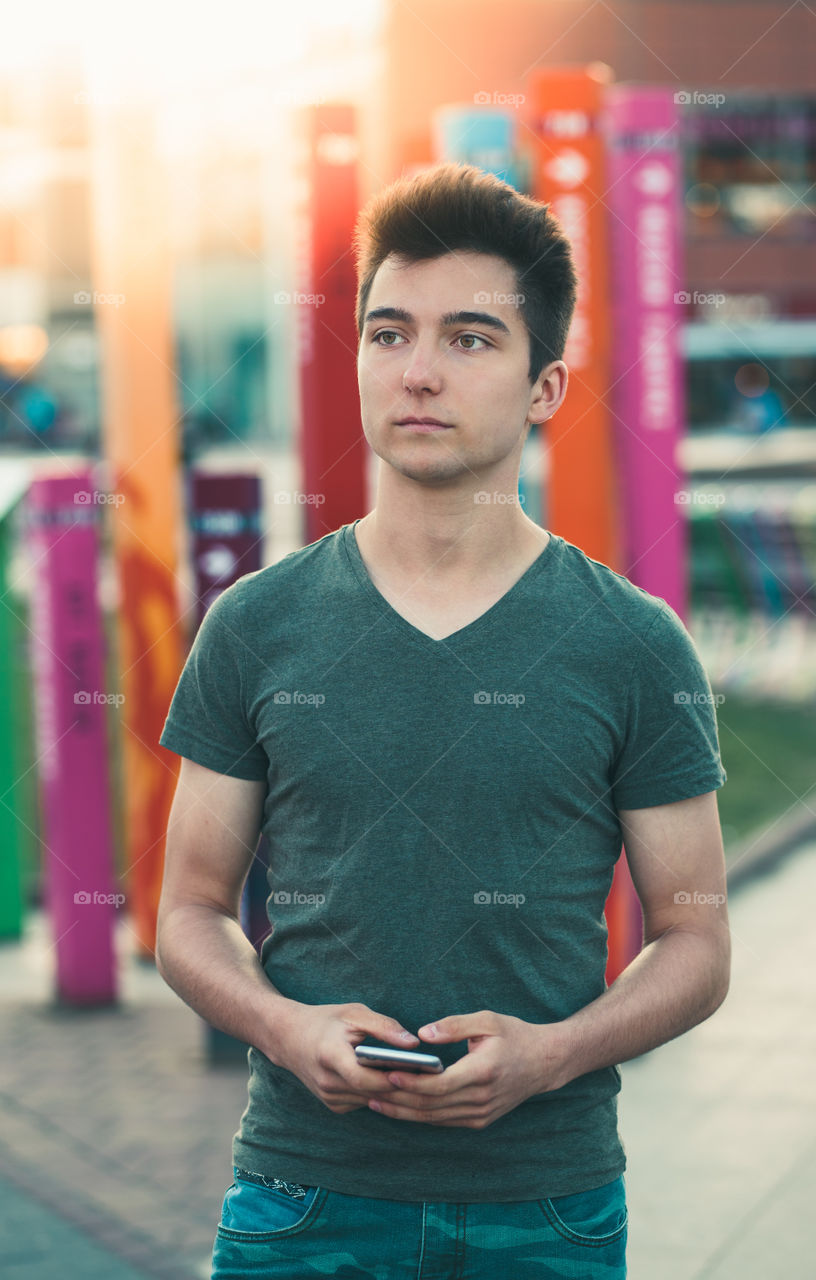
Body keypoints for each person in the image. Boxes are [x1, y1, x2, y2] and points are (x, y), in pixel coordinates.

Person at [156, 161, 730, 1279]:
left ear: (544, 386)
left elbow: (696, 939)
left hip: (544, 1207)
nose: (417, 371)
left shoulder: (632, 644)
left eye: (468, 337)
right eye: (388, 333)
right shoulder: (255, 626)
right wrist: (284, 1026)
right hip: (300, 1196)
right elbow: (189, 907)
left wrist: (553, 1054)